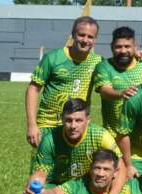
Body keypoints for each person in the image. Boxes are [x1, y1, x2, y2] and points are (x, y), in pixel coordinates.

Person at [25, 99, 127, 194]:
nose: (73, 125)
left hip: (88, 187)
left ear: (88, 120)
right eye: (69, 120)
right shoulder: (50, 139)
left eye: (78, 120)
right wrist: (32, 190)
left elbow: (121, 167)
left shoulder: (100, 136)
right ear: (62, 119)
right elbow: (40, 174)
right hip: (58, 186)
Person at [25, 16, 102, 148]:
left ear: (95, 39)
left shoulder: (98, 62)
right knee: (43, 167)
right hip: (48, 124)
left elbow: (117, 72)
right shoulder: (53, 58)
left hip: (77, 125)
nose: (85, 40)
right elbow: (33, 88)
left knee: (74, 168)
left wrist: (137, 56)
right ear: (73, 35)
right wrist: (32, 124)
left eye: (90, 37)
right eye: (81, 35)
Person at [93, 26, 142, 136]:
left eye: (127, 46)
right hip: (113, 134)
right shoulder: (104, 66)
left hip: (141, 135)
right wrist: (121, 93)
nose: (123, 51)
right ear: (112, 47)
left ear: (135, 47)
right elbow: (105, 91)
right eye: (118, 47)